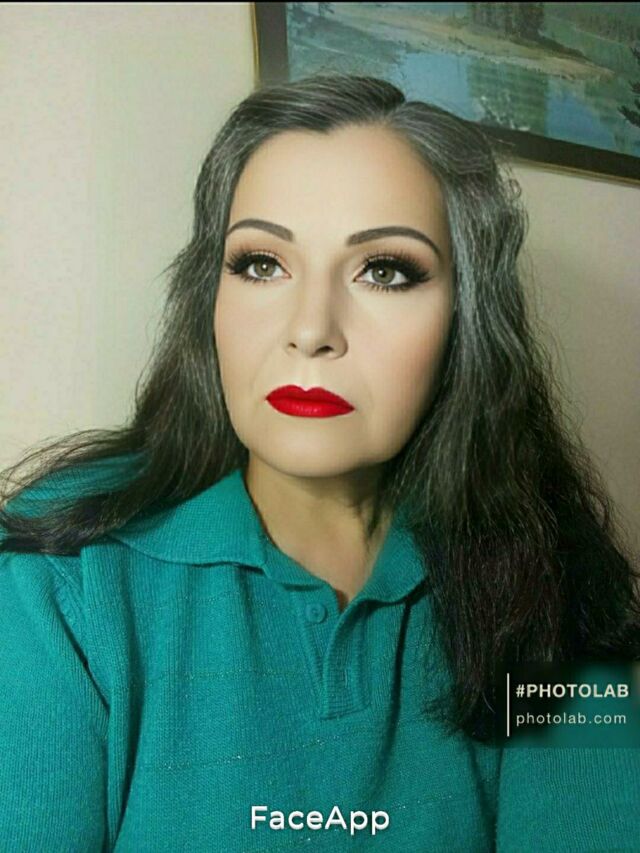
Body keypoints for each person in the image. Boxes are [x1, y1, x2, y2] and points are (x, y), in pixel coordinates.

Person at [1, 73, 639, 852]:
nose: (311, 329)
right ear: (210, 297)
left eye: (386, 270)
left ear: (465, 320)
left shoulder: (560, 584)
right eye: (261, 263)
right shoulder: (59, 572)